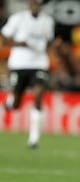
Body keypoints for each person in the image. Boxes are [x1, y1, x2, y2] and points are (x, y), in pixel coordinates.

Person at [1, 0, 54, 149]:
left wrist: (53, 46)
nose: (35, 5)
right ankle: (11, 100)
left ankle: (34, 138)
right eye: (33, 3)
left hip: (39, 64)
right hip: (19, 64)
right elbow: (4, 37)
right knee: (17, 105)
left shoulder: (48, 21)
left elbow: (48, 41)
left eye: (38, 3)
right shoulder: (17, 19)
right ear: (29, 4)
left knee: (38, 95)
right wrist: (18, 43)